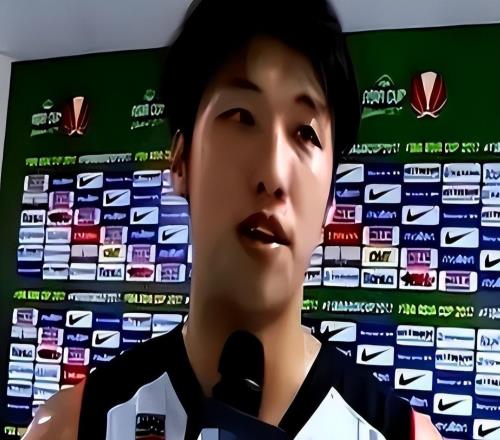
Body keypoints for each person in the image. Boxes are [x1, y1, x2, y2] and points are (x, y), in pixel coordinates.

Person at [23, 0, 442, 438]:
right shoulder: (74, 426)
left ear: (329, 207)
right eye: (242, 117)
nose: (273, 174)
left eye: (305, 133)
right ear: (181, 161)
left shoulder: (400, 433)